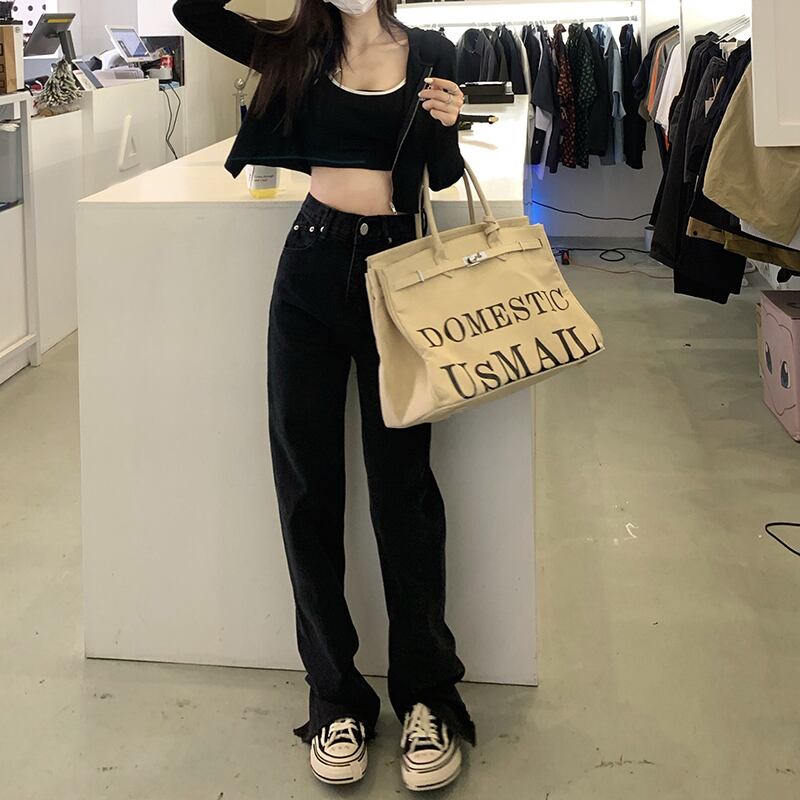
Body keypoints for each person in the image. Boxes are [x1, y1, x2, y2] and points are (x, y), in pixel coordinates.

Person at [172, 0, 474, 790]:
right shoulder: (295, 49)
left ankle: (426, 696)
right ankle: (335, 698)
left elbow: (440, 175)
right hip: (310, 267)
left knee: (404, 494)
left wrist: (447, 122)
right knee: (307, 489)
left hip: (398, 274)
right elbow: (190, 10)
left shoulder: (432, 49)